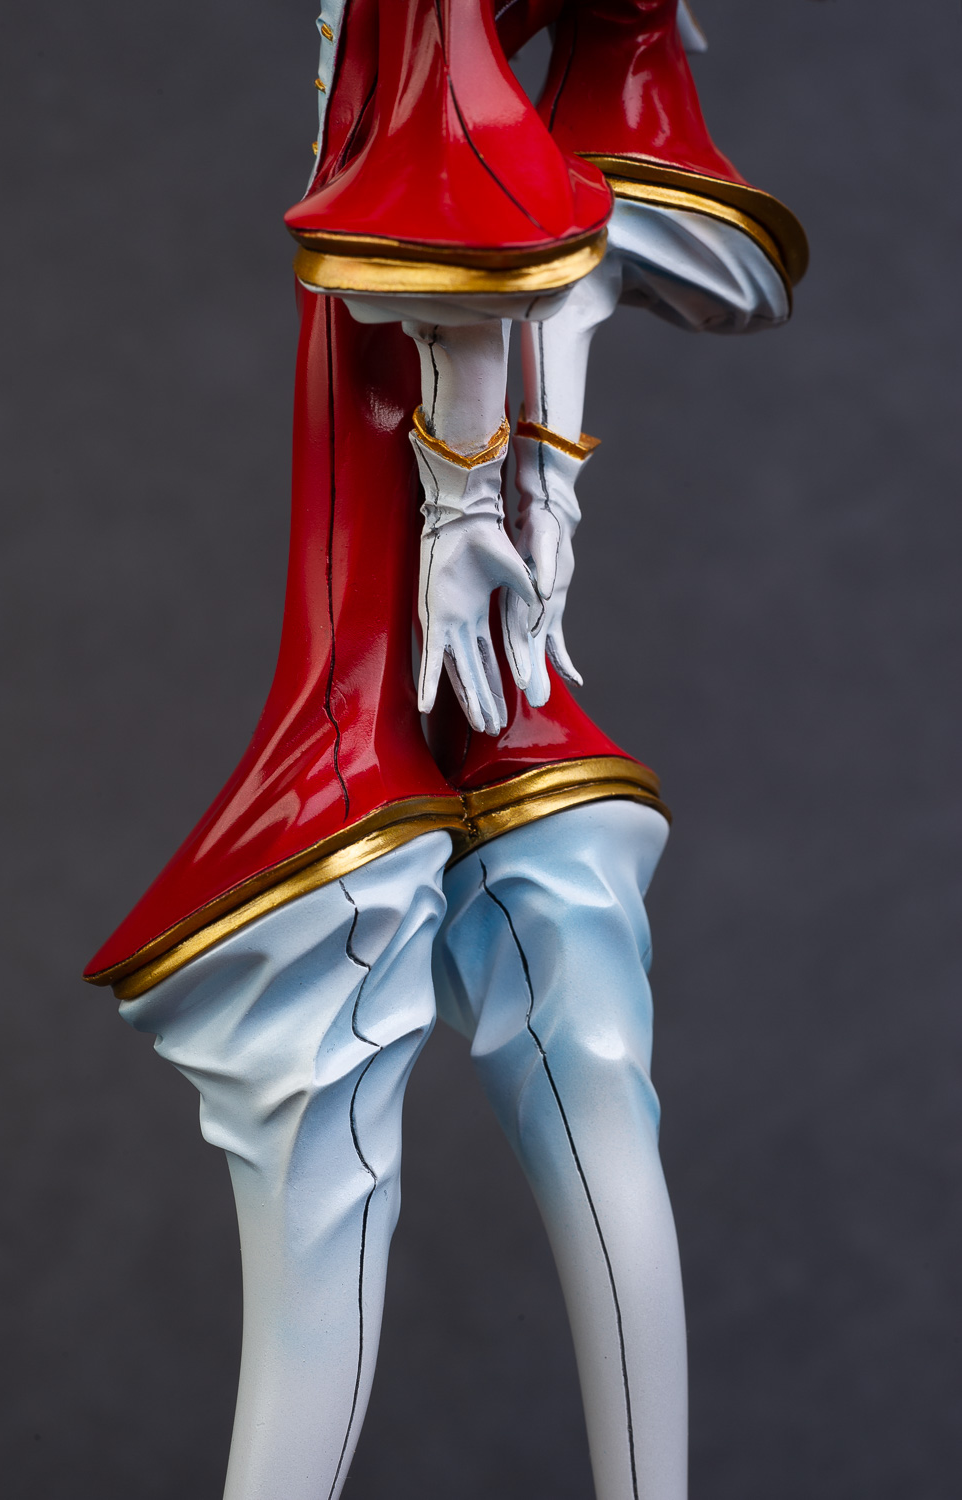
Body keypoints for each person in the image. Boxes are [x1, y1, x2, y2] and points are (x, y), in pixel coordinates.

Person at [84, 6, 806, 1498]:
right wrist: (529, 484)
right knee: (578, 1066)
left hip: (376, 651)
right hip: (469, 641)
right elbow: (575, 204)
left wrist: (481, 490)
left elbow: (480, 168)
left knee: (349, 1107)